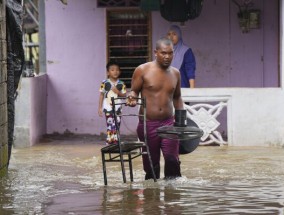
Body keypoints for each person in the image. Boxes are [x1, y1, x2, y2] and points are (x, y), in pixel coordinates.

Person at [127, 37, 184, 180]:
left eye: (170, 53)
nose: (167, 57)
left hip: (169, 123)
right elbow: (133, 91)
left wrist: (181, 122)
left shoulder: (176, 73)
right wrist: (132, 98)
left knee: (172, 160)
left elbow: (177, 97)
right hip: (148, 124)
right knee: (152, 166)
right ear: (155, 52)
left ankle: (173, 198)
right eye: (163, 53)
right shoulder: (142, 70)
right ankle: (152, 200)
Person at [98, 61, 126, 145]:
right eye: (112, 70)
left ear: (120, 72)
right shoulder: (104, 83)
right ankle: (110, 141)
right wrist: (100, 107)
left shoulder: (121, 83)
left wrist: (118, 92)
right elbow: (101, 95)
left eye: (117, 70)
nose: (115, 71)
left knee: (117, 124)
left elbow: (124, 95)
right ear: (108, 72)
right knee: (110, 124)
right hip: (108, 107)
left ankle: (116, 141)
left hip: (118, 108)